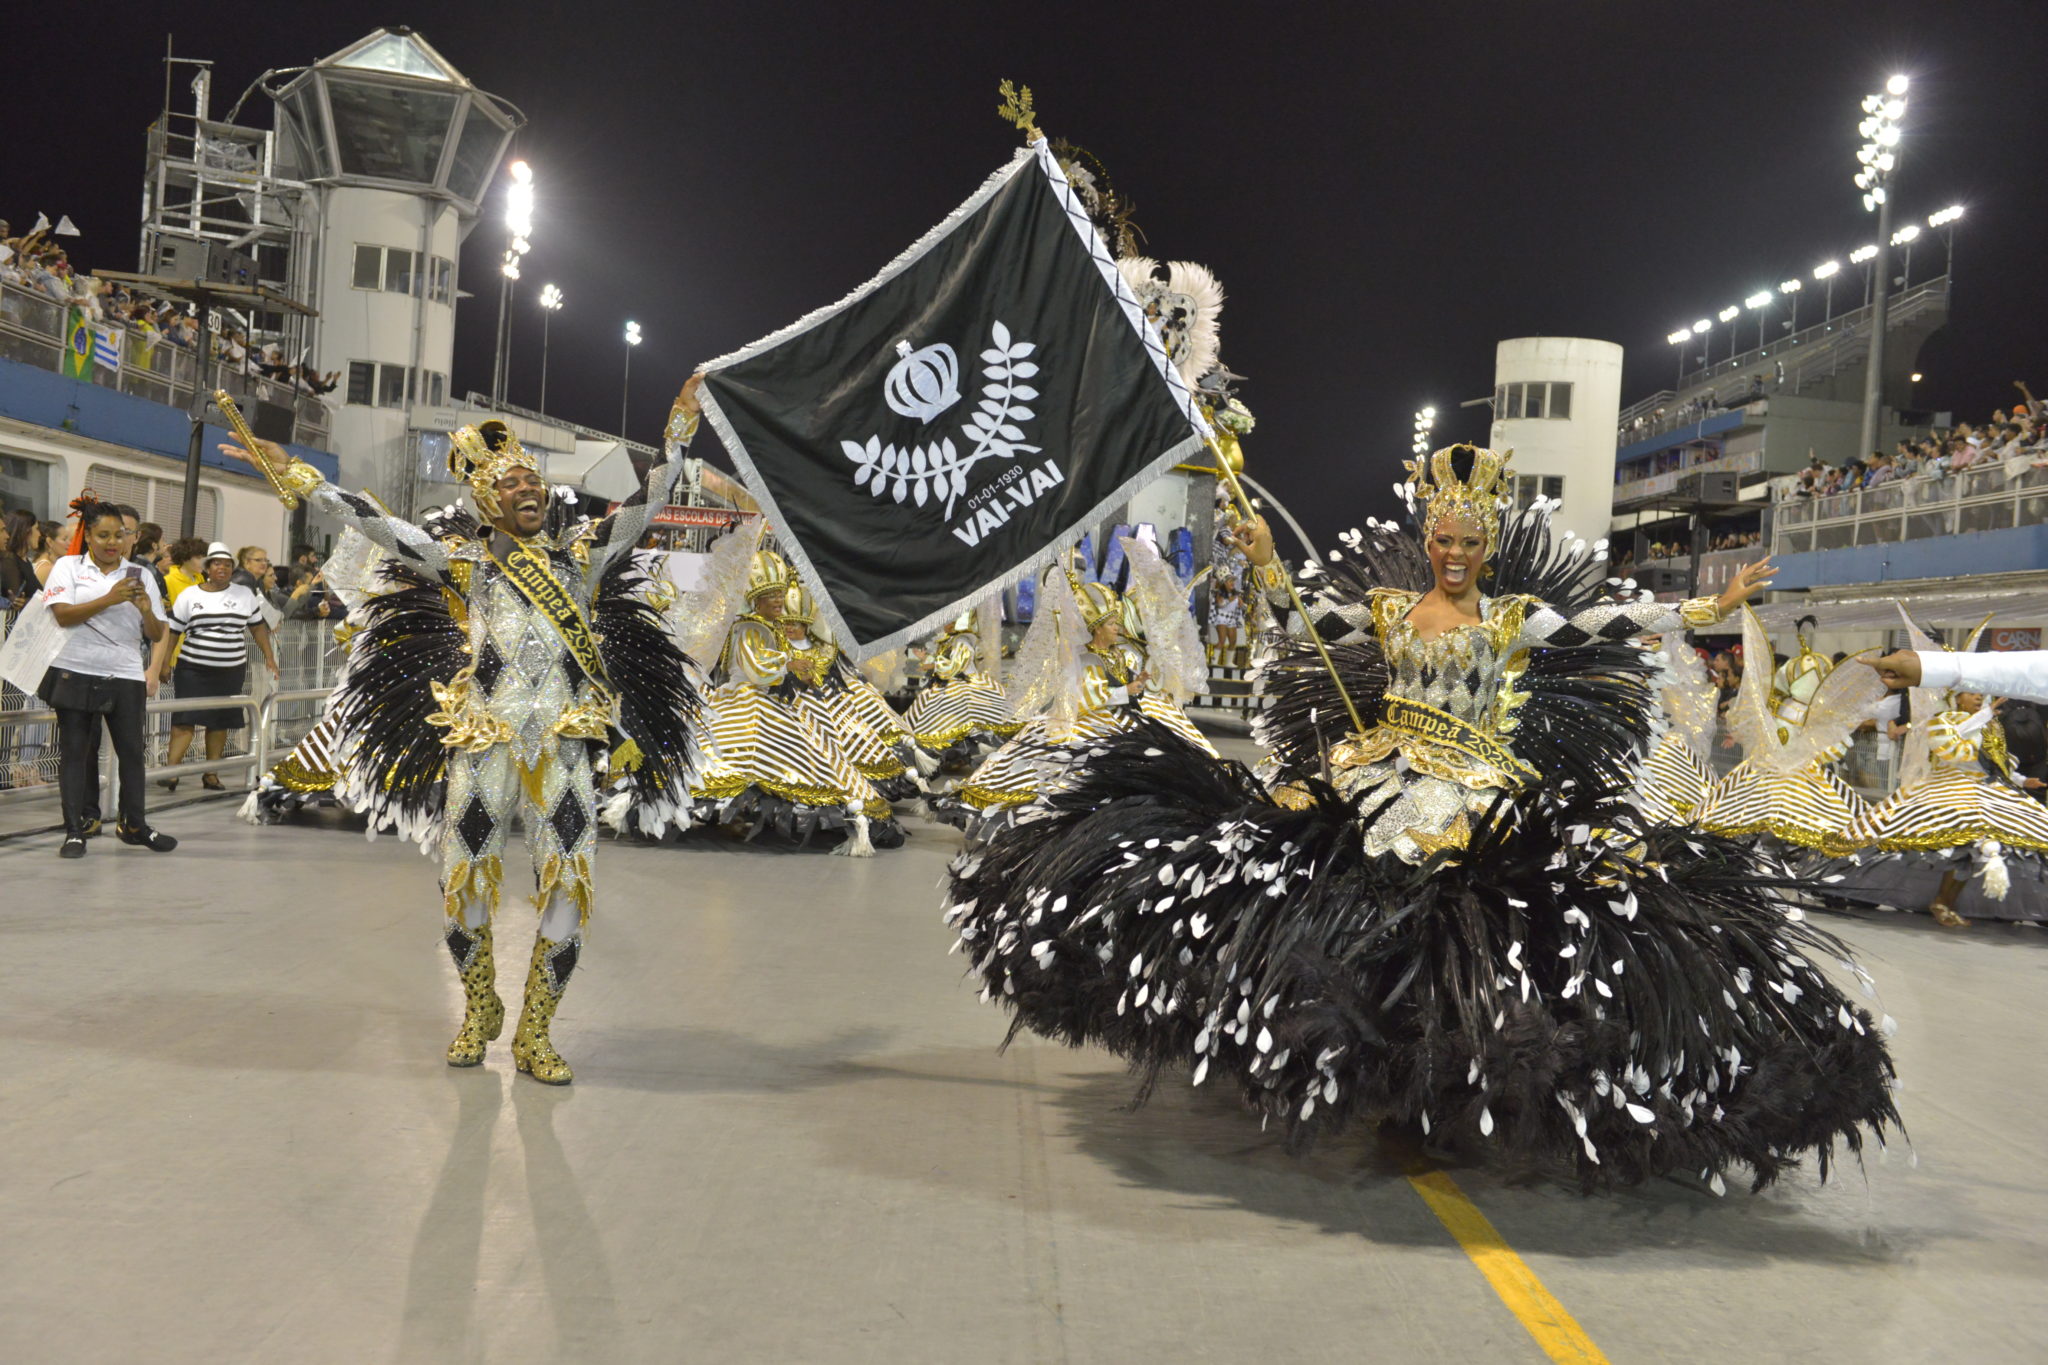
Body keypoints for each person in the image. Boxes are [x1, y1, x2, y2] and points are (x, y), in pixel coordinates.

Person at [948, 444, 1898, 1192]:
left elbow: (1616, 624)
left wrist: (1711, 604)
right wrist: (1271, 560)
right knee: (1318, 888)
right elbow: (1303, 617)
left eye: (1468, 542)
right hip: (1378, 770)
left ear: (1485, 547)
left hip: (1474, 789)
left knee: (1465, 919)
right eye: (1443, 538)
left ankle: (1439, 1063)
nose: (1453, 553)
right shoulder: (1392, 608)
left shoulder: (1513, 619)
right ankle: (1344, 1047)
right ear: (1430, 539)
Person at [220, 385, 707, 1084]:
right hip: (482, 743)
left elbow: (649, 500)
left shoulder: (582, 557)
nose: (526, 489)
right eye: (510, 482)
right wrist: (300, 476)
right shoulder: (465, 564)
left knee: (570, 887)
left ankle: (536, 1031)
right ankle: (481, 1004)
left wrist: (680, 429)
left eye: (532, 481)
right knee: (464, 891)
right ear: (486, 498)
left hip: (564, 746)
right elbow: (375, 525)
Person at [34, 497, 176, 857]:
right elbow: (63, 615)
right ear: (89, 537)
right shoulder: (67, 567)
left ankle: (135, 826)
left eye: (120, 534)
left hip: (126, 673)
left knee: (131, 753)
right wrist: (111, 598)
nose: (112, 542)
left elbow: (158, 634)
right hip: (75, 668)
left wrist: (146, 610)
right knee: (76, 753)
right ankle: (75, 831)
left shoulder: (141, 574)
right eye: (103, 535)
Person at [151, 542, 276, 791]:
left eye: (228, 564)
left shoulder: (244, 594)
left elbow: (258, 627)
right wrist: (164, 663)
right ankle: (172, 771)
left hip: (230, 670)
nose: (223, 568)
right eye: (217, 563)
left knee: (219, 722)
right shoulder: (190, 595)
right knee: (184, 719)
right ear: (208, 567)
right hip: (193, 669)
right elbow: (173, 632)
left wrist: (269, 657)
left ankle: (211, 774)